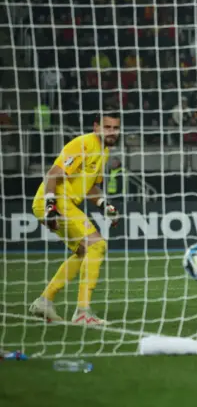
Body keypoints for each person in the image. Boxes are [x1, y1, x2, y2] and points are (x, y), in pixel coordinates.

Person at [29, 109, 121, 325]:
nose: (112, 132)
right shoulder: (83, 144)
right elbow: (53, 174)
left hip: (60, 204)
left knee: (82, 252)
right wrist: (51, 207)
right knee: (97, 246)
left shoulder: (103, 151)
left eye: (115, 128)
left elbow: (90, 188)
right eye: (107, 127)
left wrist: (105, 205)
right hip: (56, 202)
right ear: (96, 127)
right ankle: (82, 312)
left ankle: (44, 301)